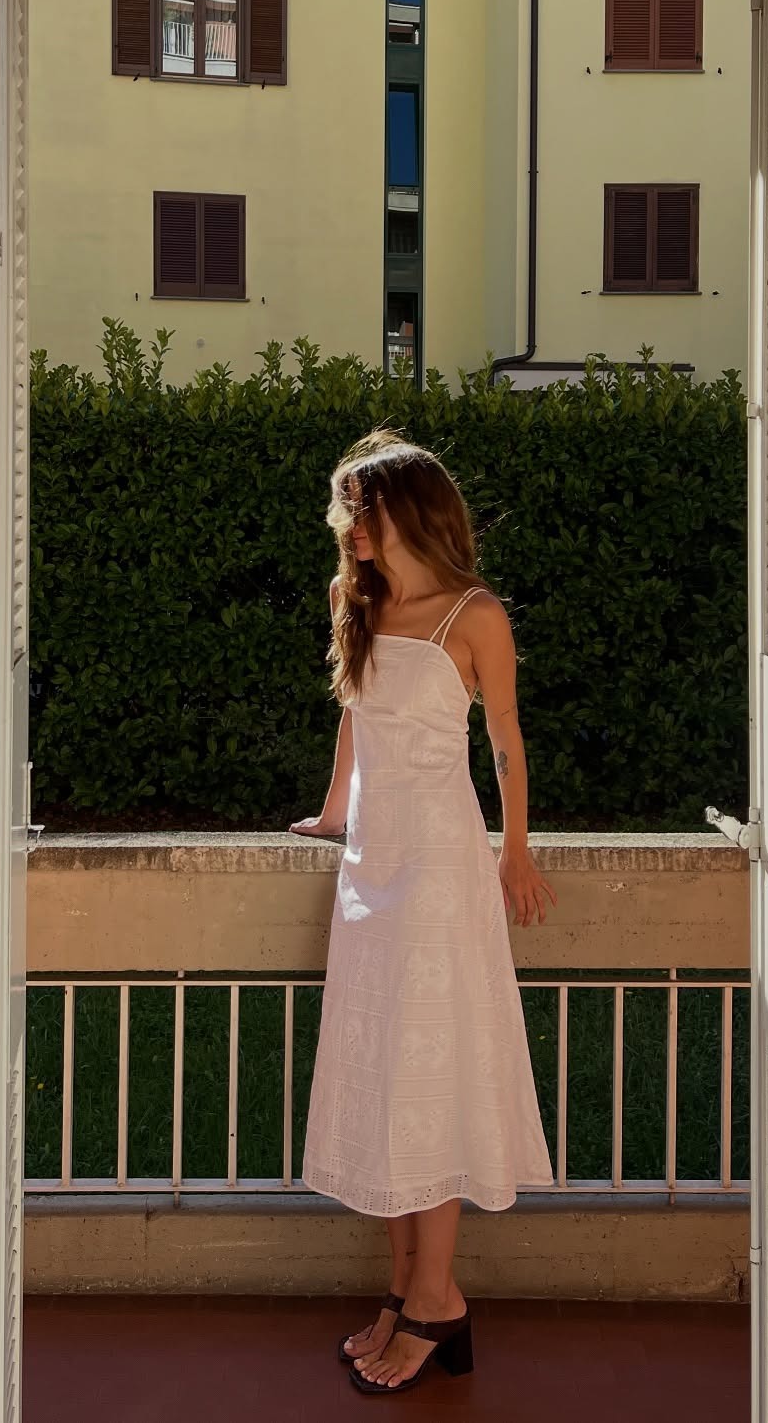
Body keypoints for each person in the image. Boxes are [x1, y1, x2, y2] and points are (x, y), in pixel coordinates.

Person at [289, 429, 557, 1395]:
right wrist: (329, 816)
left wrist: (515, 852)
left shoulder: (475, 615)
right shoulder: (351, 601)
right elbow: (353, 722)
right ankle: (407, 1289)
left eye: (360, 506)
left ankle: (439, 1303)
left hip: (443, 870)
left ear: (407, 510)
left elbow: (508, 743)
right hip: (371, 871)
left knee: (429, 1074)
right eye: (344, 508)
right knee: (386, 1075)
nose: (347, 525)